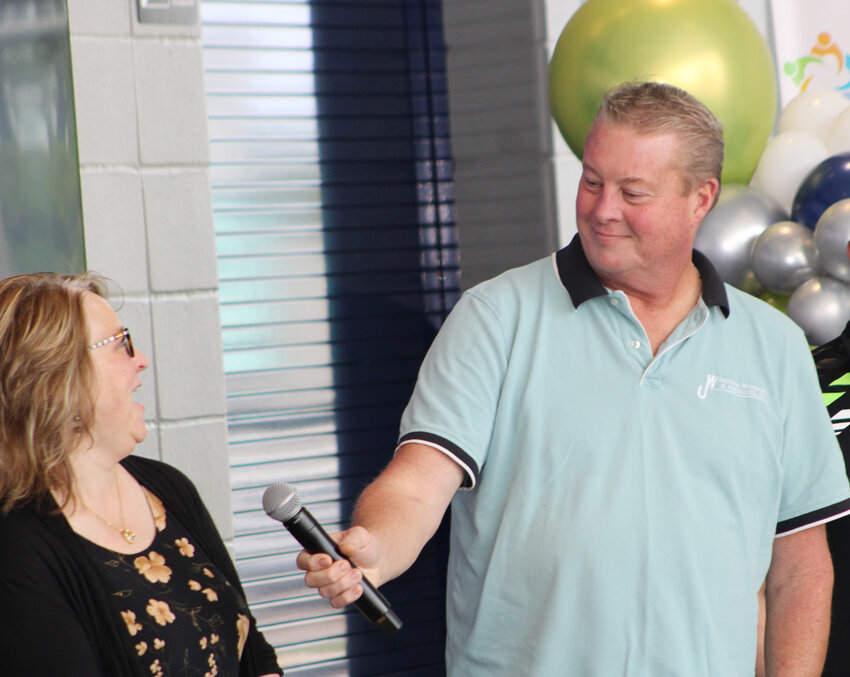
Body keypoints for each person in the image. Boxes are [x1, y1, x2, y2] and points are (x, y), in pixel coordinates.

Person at [297, 81, 850, 676]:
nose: (602, 208)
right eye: (592, 181)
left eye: (632, 192)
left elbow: (799, 561)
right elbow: (416, 484)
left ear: (701, 198)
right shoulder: (496, 318)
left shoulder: (774, 346)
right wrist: (373, 550)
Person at [0, 272, 282, 677]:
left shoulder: (166, 488)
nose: (141, 359)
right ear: (56, 378)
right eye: (119, 345)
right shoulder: (18, 547)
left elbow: (254, 654)